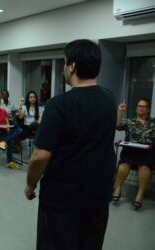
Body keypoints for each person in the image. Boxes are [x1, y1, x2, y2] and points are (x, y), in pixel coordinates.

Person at [24, 39, 116, 250]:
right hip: (98, 195)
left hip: (62, 199)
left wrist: (30, 185)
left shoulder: (59, 105)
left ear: (72, 66)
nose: (64, 68)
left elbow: (40, 156)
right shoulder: (109, 99)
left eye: (65, 63)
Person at [112, 99, 155, 210]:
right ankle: (117, 188)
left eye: (144, 106)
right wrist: (120, 112)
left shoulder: (153, 122)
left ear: (148, 109)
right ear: (136, 108)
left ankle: (140, 194)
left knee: (144, 167)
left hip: (146, 152)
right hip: (130, 151)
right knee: (123, 166)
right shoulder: (129, 122)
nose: (141, 108)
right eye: (139, 106)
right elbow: (117, 125)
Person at [0, 96, 22, 169]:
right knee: (11, 141)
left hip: (5, 130)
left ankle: (4, 142)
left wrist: (8, 127)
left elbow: (7, 121)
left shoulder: (3, 111)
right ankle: (10, 162)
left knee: (19, 130)